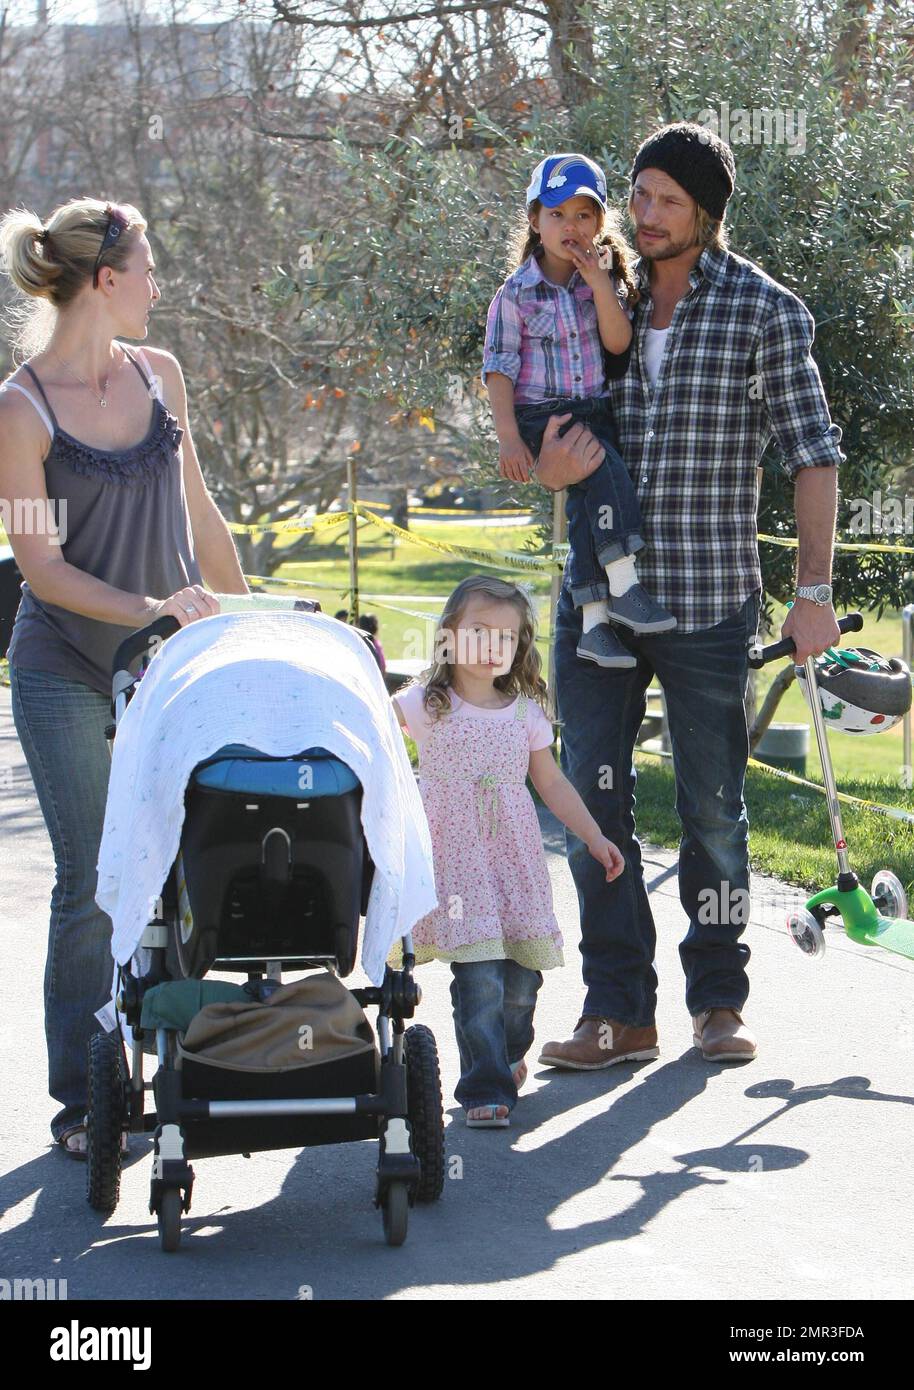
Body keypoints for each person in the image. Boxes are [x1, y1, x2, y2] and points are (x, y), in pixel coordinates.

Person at [530, 123, 843, 1068]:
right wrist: (542, 463)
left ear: (705, 212)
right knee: (592, 798)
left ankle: (718, 999)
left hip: (708, 602)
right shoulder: (594, 301)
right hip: (596, 601)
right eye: (639, 196)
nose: (644, 215)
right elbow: (541, 416)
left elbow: (814, 455)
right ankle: (616, 1010)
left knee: (712, 806)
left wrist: (815, 590)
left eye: (666, 199)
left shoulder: (763, 311)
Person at [0, 197, 250, 1158]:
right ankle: (82, 1100)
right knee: (93, 884)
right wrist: (152, 609)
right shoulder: (19, 410)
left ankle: (178, 1059)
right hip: (65, 668)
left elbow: (200, 511)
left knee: (192, 858)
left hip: (170, 665)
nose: (159, 286)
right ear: (105, 281)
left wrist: (253, 616)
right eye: (148, 269)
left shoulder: (163, 376)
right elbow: (43, 569)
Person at [392, 575, 624, 1126]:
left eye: (505, 635)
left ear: (519, 645)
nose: (490, 645)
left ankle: (508, 1052)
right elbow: (369, 736)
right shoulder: (426, 704)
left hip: (515, 861)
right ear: (449, 634)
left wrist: (594, 836)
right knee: (479, 976)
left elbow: (553, 785)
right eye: (477, 631)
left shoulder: (525, 714)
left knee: (521, 980)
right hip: (456, 867)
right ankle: (484, 1087)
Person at [482, 152, 676, 671]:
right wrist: (508, 439)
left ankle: (594, 625)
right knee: (610, 476)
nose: (571, 226)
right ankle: (625, 587)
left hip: (592, 408)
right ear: (534, 221)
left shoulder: (601, 282)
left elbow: (618, 343)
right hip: (544, 415)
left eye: (583, 215)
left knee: (589, 512)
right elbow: (498, 369)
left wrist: (599, 287)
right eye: (556, 214)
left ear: (600, 223)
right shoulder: (515, 295)